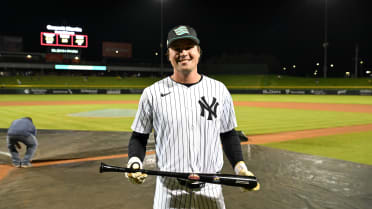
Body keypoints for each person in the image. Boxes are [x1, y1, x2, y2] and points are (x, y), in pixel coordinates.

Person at [126, 25, 260, 209]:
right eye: (177, 48)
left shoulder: (219, 90)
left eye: (188, 47)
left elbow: (228, 134)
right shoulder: (152, 93)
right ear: (169, 54)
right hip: (169, 192)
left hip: (211, 190)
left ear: (198, 51)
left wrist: (240, 168)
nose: (183, 53)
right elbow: (139, 137)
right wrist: (134, 161)